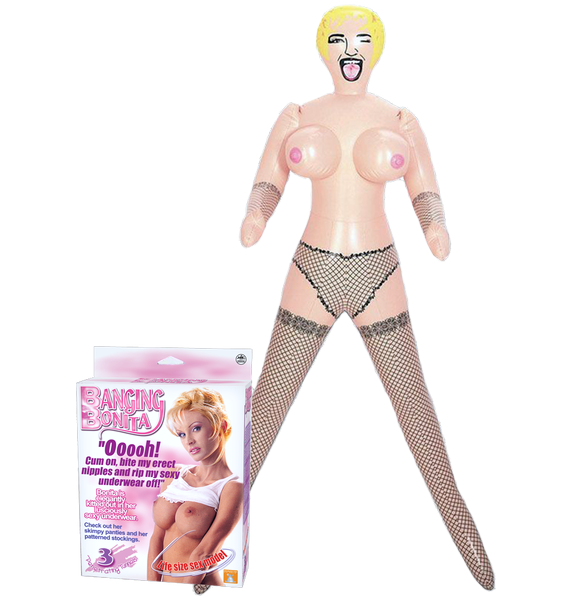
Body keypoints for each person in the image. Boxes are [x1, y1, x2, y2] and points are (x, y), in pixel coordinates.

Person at [240, 5, 494, 591]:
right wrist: (256, 215)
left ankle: (469, 541)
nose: (349, 49)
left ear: (376, 49)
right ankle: (212, 536)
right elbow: (268, 180)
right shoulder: (299, 114)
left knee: (416, 410)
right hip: (312, 268)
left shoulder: (398, 118)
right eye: (338, 39)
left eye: (360, 39)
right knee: (267, 411)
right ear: (323, 49)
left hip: (380, 271)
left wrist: (435, 226)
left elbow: (424, 185)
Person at [147, 388, 243, 589]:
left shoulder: (231, 488)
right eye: (181, 434)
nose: (188, 440)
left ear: (221, 426)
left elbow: (204, 554)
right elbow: (157, 538)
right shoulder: (174, 473)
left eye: (196, 428)